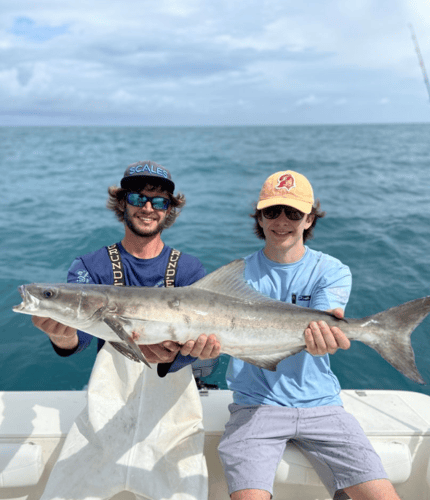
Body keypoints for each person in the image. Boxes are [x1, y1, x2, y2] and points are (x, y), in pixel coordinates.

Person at [32, 160, 220, 500]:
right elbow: (83, 336)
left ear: (169, 210)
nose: (148, 208)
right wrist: (61, 335)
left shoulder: (190, 269)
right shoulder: (91, 266)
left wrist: (181, 353)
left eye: (159, 201)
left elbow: (196, 345)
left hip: (172, 423)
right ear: (122, 203)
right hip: (104, 423)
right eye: (138, 198)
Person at [217, 170, 401, 500]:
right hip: (255, 406)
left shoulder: (331, 270)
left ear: (309, 218)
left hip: (321, 404)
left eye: (294, 212)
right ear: (259, 218)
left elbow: (324, 328)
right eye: (272, 212)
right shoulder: (235, 276)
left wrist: (327, 340)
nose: (282, 221)